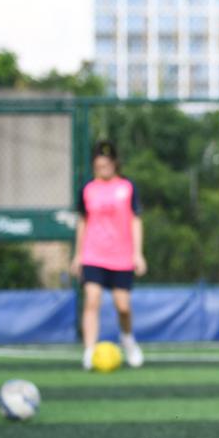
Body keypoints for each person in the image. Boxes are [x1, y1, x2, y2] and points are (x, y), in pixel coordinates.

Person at [70, 141, 146, 370]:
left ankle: (128, 339)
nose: (103, 168)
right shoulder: (88, 189)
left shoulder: (127, 187)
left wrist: (138, 254)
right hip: (93, 255)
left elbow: (135, 220)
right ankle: (89, 350)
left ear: (114, 163)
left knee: (123, 306)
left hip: (121, 256)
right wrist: (78, 255)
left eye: (107, 164)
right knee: (91, 300)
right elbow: (82, 222)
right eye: (99, 164)